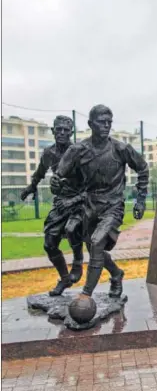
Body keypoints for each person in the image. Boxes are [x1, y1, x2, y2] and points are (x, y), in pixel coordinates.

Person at [53, 105, 149, 299]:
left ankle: (85, 296)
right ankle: (116, 273)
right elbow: (58, 179)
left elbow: (143, 168)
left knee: (97, 243)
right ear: (90, 124)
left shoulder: (121, 148)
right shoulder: (77, 150)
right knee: (89, 245)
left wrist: (140, 200)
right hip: (89, 207)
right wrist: (55, 183)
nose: (106, 126)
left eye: (109, 122)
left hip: (113, 206)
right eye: (101, 122)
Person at [20, 115, 85, 296]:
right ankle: (64, 278)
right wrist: (30, 188)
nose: (62, 133)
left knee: (72, 229)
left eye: (66, 130)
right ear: (53, 131)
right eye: (59, 130)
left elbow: (91, 184)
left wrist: (76, 199)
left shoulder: (79, 152)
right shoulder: (49, 153)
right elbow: (39, 173)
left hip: (80, 201)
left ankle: (78, 263)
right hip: (61, 203)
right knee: (49, 243)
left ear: (71, 132)